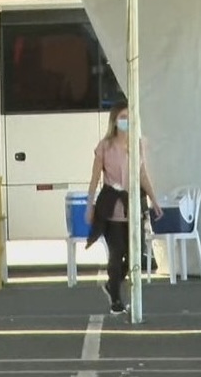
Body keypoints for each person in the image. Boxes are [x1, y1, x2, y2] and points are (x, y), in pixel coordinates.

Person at [85, 101, 163, 314]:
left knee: (135, 255)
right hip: (111, 207)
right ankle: (116, 300)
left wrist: (154, 200)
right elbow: (94, 178)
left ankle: (112, 285)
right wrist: (89, 206)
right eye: (122, 117)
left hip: (133, 206)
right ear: (114, 120)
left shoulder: (137, 144)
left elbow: (142, 174)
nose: (126, 121)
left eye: (129, 117)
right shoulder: (104, 146)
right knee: (116, 252)